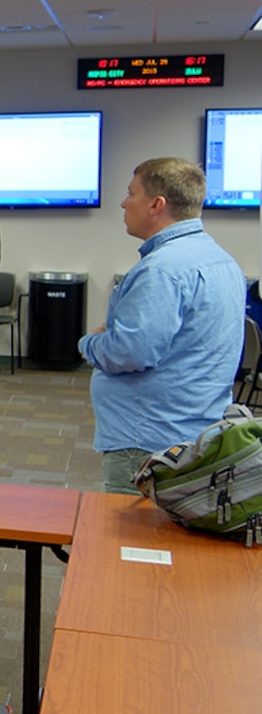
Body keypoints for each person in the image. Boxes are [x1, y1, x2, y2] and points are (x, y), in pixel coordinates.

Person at [79, 157, 244, 494]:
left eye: (131, 193)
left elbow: (129, 352)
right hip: (196, 430)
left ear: (156, 204)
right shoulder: (220, 259)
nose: (124, 203)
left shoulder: (161, 270)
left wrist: (89, 344)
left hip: (147, 442)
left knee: (131, 543)